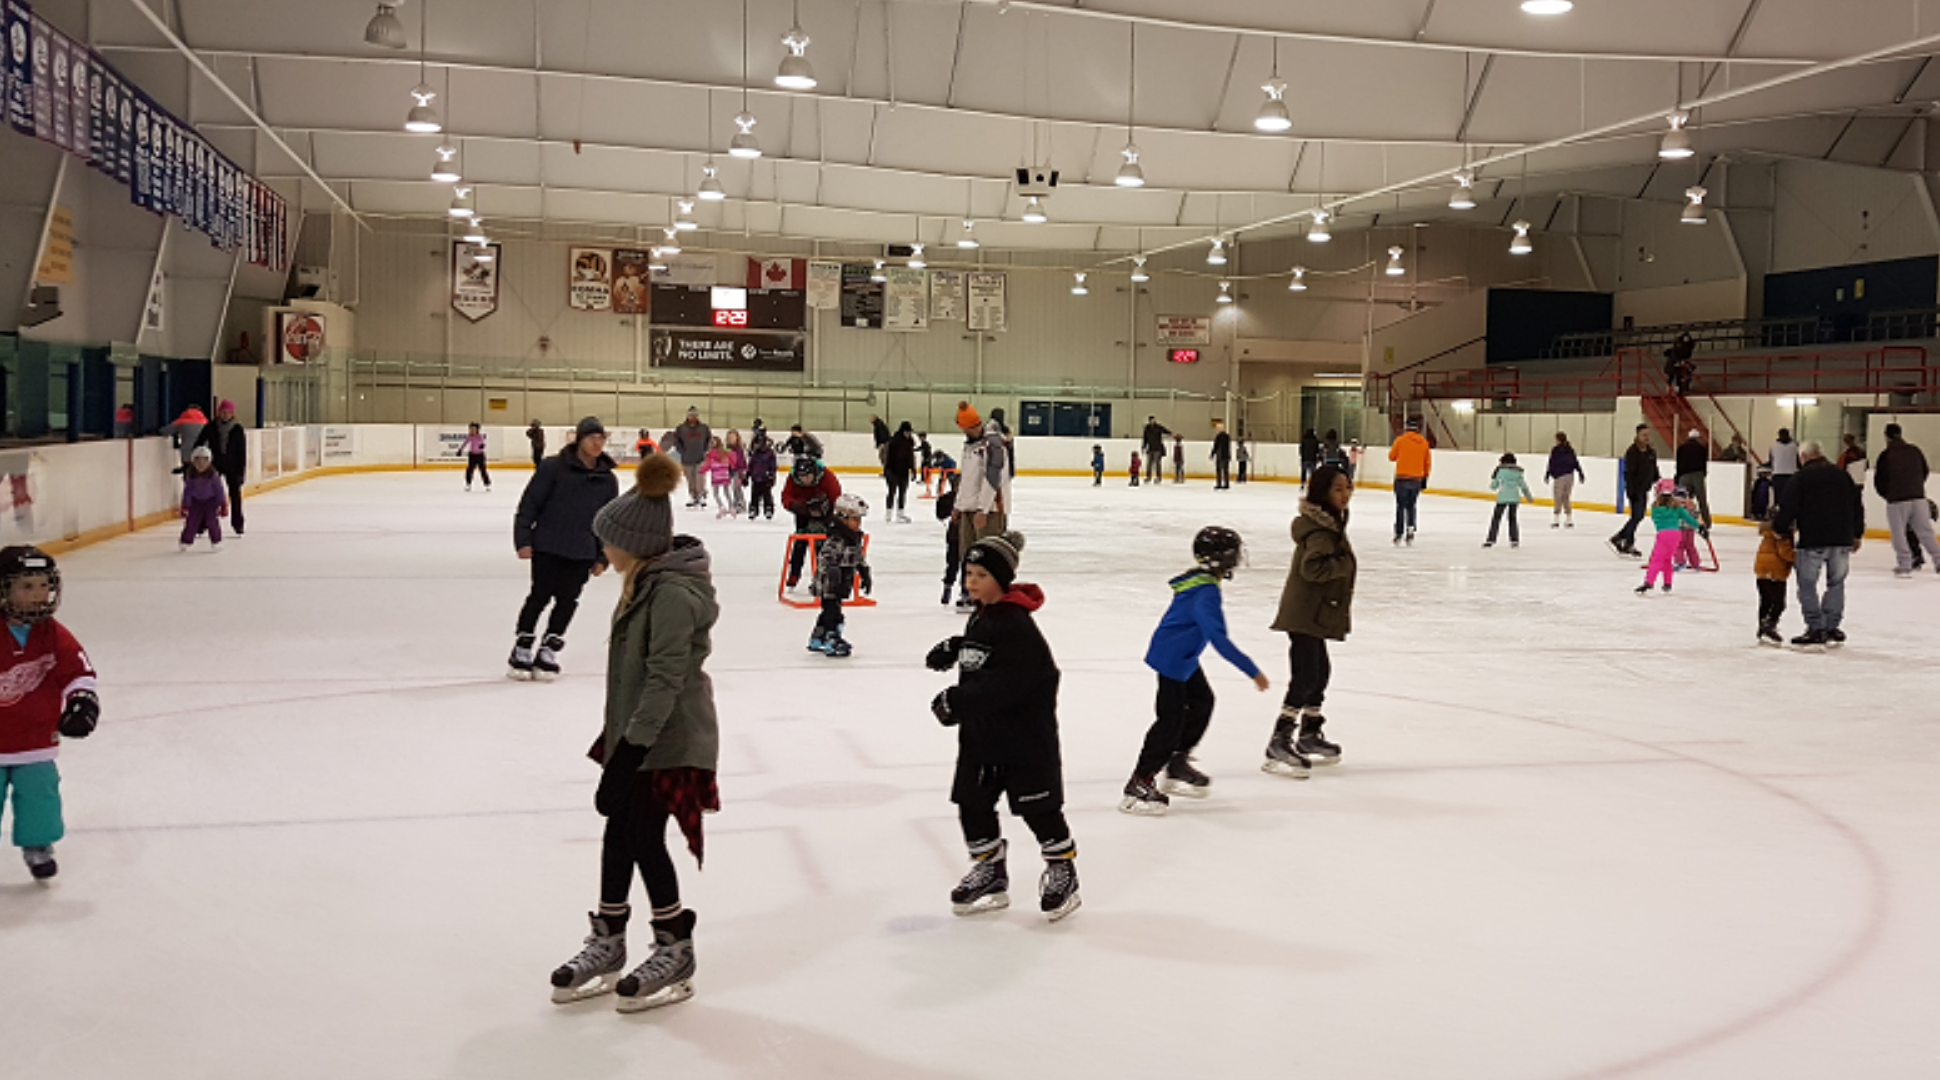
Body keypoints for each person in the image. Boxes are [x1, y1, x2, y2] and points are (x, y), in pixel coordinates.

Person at [547, 453, 718, 1012]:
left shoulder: (670, 593)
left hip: (668, 739)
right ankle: (609, 939)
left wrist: (631, 752)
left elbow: (665, 680)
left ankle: (676, 946)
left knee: (643, 835)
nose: (603, 550)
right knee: (618, 834)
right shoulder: (644, 583)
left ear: (634, 543)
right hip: (638, 734)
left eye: (608, 541)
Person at [924, 531, 1081, 922]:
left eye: (980, 574)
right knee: (972, 802)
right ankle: (990, 869)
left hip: (1024, 738)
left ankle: (1063, 868)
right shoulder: (986, 616)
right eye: (969, 573)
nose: (971, 581)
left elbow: (1011, 680)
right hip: (983, 736)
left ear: (1002, 578)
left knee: (1039, 808)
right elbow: (988, 656)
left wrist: (957, 702)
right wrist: (958, 647)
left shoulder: (1016, 625)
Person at [1120, 527, 1267, 816]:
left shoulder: (1203, 583)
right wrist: (1252, 671)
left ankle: (1176, 762)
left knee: (1202, 702)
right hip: (1173, 659)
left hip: (1182, 656)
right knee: (1169, 721)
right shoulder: (1205, 592)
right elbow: (1219, 638)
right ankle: (1140, 780)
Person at [0, 547, 100, 885]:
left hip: (35, 739)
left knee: (41, 794)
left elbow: (78, 671)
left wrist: (82, 702)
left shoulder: (52, 633)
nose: (39, 595)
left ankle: (38, 846)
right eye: (26, 587)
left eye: (43, 585)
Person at [511, 418, 618, 680]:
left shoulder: (607, 480)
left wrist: (603, 557)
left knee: (568, 601)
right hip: (548, 544)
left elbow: (609, 523)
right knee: (539, 596)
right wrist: (523, 539)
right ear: (579, 439)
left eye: (601, 438)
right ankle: (522, 647)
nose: (597, 443)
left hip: (582, 550)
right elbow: (530, 504)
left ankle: (550, 647)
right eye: (592, 437)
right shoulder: (552, 468)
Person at [1266, 465, 1355, 778]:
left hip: (1313, 611)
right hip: (1305, 613)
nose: (1345, 494)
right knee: (1305, 676)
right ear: (1322, 492)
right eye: (1338, 489)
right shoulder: (1320, 530)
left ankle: (1309, 733)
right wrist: (1341, 565)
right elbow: (1312, 568)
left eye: (1347, 487)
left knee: (1319, 672)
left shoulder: (1330, 522)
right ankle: (1279, 740)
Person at [1770, 440, 1864, 649]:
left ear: (1803, 457)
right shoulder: (1842, 475)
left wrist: (1779, 528)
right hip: (1841, 539)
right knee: (1836, 583)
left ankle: (1815, 627)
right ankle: (1831, 626)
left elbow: (1789, 506)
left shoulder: (1801, 477)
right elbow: (1857, 505)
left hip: (1813, 539)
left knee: (1807, 584)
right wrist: (1857, 534)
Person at [953, 405, 1012, 615]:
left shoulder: (993, 444)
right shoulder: (970, 445)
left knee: (988, 554)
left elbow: (992, 479)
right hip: (969, 508)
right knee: (968, 554)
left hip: (990, 510)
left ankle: (992, 596)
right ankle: (969, 592)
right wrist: (958, 506)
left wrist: (983, 510)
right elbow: (966, 480)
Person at [1872, 422, 1940, 578]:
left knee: (1899, 533)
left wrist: (1888, 495)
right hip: (1918, 497)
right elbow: (1925, 470)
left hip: (1897, 499)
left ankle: (1905, 565)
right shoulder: (1915, 451)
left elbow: (1880, 480)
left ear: (1886, 436)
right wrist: (1916, 487)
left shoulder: (1886, 454)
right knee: (1925, 532)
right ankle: (1939, 561)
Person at [809, 495, 872, 658]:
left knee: (829, 611)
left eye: (859, 519)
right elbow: (825, 557)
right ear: (843, 518)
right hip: (829, 583)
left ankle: (818, 637)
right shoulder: (837, 538)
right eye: (854, 519)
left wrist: (864, 572)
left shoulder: (854, 537)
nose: (858, 523)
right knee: (833, 612)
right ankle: (832, 638)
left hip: (843, 581)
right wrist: (832, 570)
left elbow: (858, 556)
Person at [782, 457, 842, 591]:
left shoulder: (827, 477)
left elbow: (837, 498)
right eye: (801, 476)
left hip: (825, 514)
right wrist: (794, 506)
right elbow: (786, 496)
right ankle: (794, 574)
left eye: (808, 476)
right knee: (800, 542)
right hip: (803, 512)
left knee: (821, 547)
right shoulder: (792, 478)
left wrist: (829, 515)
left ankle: (820, 576)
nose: (805, 480)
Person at [1635, 480, 1700, 595]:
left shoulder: (1655, 508)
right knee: (1667, 559)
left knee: (1656, 559)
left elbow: (1656, 520)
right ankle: (1667, 583)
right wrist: (1700, 527)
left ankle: (1649, 582)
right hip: (1676, 535)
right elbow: (1689, 519)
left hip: (1663, 535)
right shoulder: (1678, 508)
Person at [194, 400, 249, 534]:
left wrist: (240, 472)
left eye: (228, 412)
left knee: (235, 496)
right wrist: (201, 460)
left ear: (232, 414)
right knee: (207, 495)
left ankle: (238, 523)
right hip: (214, 465)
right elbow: (199, 443)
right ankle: (203, 522)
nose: (225, 415)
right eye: (223, 412)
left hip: (233, 466)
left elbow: (241, 452)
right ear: (219, 413)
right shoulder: (211, 427)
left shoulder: (237, 429)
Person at [1609, 425, 1659, 557]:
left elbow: (1654, 468)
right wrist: (1631, 491)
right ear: (1637, 435)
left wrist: (1657, 480)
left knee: (1638, 516)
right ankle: (1627, 542)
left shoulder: (1651, 452)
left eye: (1648, 435)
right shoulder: (1632, 452)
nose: (1647, 437)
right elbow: (1628, 473)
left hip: (1644, 489)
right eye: (1644, 435)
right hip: (1635, 490)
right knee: (1637, 516)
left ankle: (1620, 538)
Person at [1388, 417, 1431, 545]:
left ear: (1406, 427)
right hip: (1416, 479)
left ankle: (1399, 533)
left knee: (1401, 506)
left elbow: (1391, 457)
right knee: (1411, 506)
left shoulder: (1400, 440)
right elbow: (1427, 463)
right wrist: (1425, 478)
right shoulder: (1424, 443)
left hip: (1401, 478)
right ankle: (1411, 529)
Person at [1754, 513, 1795, 647]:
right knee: (1779, 603)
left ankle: (1762, 627)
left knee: (1765, 602)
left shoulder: (1767, 534)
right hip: (1775, 573)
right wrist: (1798, 557)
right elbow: (1785, 553)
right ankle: (1769, 626)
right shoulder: (1782, 534)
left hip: (1762, 572)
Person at [179, 446, 228, 553]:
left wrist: (223, 504)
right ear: (193, 462)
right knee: (191, 522)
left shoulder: (213, 476)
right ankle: (186, 541)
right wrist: (185, 504)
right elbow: (188, 491)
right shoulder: (191, 476)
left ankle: (216, 541)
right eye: (198, 462)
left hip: (210, 502)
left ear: (209, 462)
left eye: (204, 461)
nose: (201, 465)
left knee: (212, 522)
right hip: (196, 502)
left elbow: (219, 490)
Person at [665, 408, 713, 509]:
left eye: (695, 415)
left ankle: (701, 494)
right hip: (687, 458)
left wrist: (705, 450)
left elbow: (709, 439)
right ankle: (693, 495)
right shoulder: (681, 428)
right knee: (690, 479)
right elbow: (676, 441)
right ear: (688, 416)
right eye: (691, 415)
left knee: (699, 477)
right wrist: (682, 451)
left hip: (700, 457)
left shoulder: (704, 428)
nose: (693, 417)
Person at [1485, 452, 1532, 548]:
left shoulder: (1501, 471)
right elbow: (1523, 486)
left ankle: (1491, 539)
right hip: (1514, 498)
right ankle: (1514, 540)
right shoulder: (1518, 472)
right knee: (1512, 519)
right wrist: (1529, 497)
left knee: (1496, 519)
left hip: (1502, 498)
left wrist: (1493, 483)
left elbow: (1494, 486)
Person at [1544, 432, 1585, 528]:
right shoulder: (1570, 449)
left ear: (1558, 440)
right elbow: (1575, 462)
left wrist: (1548, 474)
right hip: (1570, 476)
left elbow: (1551, 463)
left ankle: (1556, 519)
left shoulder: (1556, 450)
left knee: (1558, 497)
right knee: (1566, 497)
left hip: (1560, 476)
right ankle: (1569, 519)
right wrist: (1580, 473)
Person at [1674, 428, 1711, 533]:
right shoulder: (1702, 448)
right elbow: (1704, 464)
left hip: (1684, 476)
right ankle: (1706, 522)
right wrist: (1702, 475)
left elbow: (1678, 464)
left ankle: (1679, 521)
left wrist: (1678, 476)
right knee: (1702, 500)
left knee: (1681, 500)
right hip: (1698, 476)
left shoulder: (1681, 448)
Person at [936, 471, 962, 606]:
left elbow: (939, 515)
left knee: (953, 564)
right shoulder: (971, 499)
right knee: (960, 564)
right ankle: (958, 590)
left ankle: (949, 588)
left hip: (954, 536)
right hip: (959, 536)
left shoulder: (947, 498)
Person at [884, 421, 918, 524]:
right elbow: (888, 457)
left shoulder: (908, 442)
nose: (909, 434)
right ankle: (888, 514)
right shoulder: (894, 441)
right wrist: (887, 470)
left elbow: (911, 458)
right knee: (892, 492)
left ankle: (900, 514)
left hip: (903, 472)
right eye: (907, 432)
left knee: (902, 493)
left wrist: (913, 470)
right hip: (893, 471)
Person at [162, 403, 210, 475]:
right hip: (203, 453)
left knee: (189, 476)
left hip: (187, 454)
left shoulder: (182, 421)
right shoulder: (206, 423)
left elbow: (165, 431)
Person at [746, 433, 778, 521]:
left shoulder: (769, 453)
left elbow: (773, 465)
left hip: (766, 478)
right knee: (754, 495)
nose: (755, 446)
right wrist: (747, 475)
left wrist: (771, 475)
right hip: (755, 478)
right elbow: (751, 465)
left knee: (767, 495)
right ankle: (753, 509)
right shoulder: (755, 454)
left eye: (756, 444)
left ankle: (768, 509)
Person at [1768, 427, 1800, 509]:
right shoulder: (1795, 446)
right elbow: (1799, 461)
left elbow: (1771, 460)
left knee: (1779, 497)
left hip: (1778, 474)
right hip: (1791, 474)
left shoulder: (1773, 446)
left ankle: (1779, 512)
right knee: (1791, 497)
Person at [702, 437, 734, 518]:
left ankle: (721, 507)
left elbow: (708, 464)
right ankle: (731, 507)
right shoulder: (726, 451)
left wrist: (702, 470)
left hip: (716, 475)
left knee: (716, 493)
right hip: (725, 475)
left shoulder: (711, 453)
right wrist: (732, 465)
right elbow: (733, 457)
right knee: (726, 492)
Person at [459, 422, 491, 493]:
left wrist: (482, 445)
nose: (472, 430)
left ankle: (487, 484)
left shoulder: (479, 436)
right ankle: (468, 484)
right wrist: (460, 450)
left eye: (474, 429)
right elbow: (465, 443)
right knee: (469, 470)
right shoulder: (469, 437)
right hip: (472, 455)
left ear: (477, 430)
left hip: (480, 455)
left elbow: (482, 442)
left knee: (483, 470)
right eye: (471, 429)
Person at [724, 430, 748, 517]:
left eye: (733, 437)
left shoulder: (739, 449)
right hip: (730, 470)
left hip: (739, 470)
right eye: (729, 437)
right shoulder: (726, 448)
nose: (731, 439)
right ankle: (736, 502)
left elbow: (742, 461)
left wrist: (742, 472)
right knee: (732, 488)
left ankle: (741, 504)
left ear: (737, 438)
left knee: (736, 487)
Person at [1141, 416, 1170, 485]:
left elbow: (1165, 430)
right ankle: (1148, 477)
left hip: (1158, 448)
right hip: (1150, 448)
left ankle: (1158, 477)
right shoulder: (1147, 428)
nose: (1152, 421)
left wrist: (1171, 433)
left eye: (1153, 420)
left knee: (1157, 463)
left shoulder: (1158, 427)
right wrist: (1143, 447)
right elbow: (1145, 438)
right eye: (1151, 420)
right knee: (1149, 464)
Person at [1210, 422, 1233, 490]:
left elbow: (1216, 446)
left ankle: (1219, 483)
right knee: (1225, 470)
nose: (1217, 429)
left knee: (1219, 470)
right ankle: (1226, 483)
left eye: (1218, 428)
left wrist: (1212, 454)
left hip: (1221, 456)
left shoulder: (1219, 436)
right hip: (1226, 455)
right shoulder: (1227, 436)